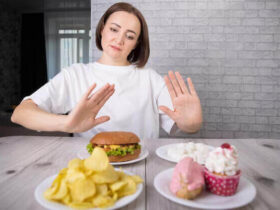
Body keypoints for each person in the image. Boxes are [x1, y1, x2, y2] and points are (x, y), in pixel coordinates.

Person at [11, 2, 203, 139]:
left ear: (136, 44)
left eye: (129, 36)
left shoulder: (151, 79)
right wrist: (67, 123)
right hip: (90, 169)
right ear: (102, 29)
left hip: (143, 165)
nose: (119, 40)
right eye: (114, 29)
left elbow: (184, 124)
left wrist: (191, 123)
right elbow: (20, 114)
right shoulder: (76, 74)